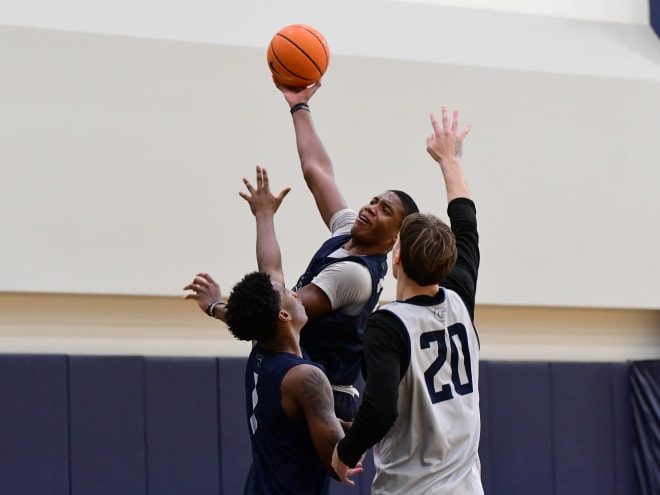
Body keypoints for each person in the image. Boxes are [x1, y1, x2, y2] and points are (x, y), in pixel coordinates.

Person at [331, 106, 483, 494]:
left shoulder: (390, 324)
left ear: (395, 258)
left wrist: (344, 453)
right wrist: (450, 159)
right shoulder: (460, 297)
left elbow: (381, 409)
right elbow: (465, 221)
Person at [185, 169, 362, 494]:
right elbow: (337, 465)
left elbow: (270, 271)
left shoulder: (264, 343)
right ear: (283, 314)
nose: (296, 292)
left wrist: (264, 214)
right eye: (289, 293)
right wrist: (358, 441)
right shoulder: (306, 377)